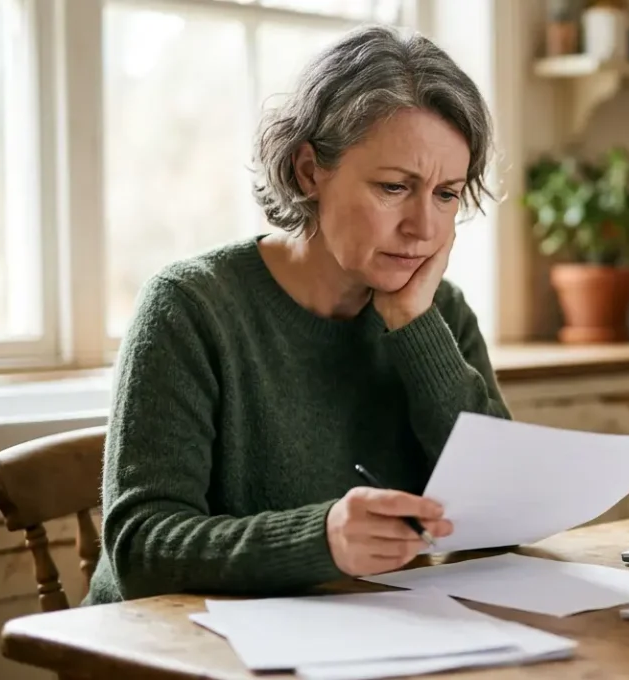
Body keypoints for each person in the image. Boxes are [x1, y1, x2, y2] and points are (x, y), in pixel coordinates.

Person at [85, 25, 510, 605]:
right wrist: (320, 538)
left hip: (370, 633)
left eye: (446, 194)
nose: (424, 228)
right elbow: (141, 550)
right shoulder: (189, 306)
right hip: (172, 650)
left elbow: (504, 505)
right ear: (309, 170)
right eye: (393, 187)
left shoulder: (439, 313)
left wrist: (415, 325)